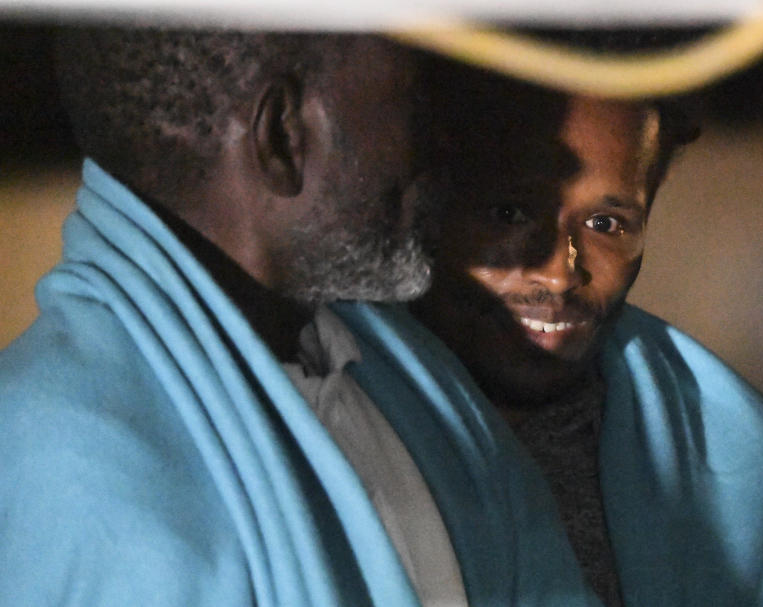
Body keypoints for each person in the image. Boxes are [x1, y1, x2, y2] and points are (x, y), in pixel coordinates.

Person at [400, 60, 763, 605]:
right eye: (510, 212)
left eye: (606, 225)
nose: (560, 271)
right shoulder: (333, 417)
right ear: (423, 199)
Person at [0, 29, 446, 606]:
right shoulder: (71, 470)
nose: (444, 140)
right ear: (283, 136)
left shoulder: (400, 380)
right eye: (412, 101)